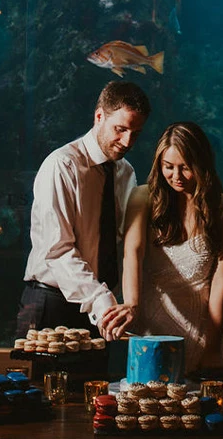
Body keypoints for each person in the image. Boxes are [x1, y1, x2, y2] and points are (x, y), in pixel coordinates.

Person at [101, 121, 223, 372]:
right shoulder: (142, 198)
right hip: (150, 329)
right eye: (168, 167)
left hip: (201, 330)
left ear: (202, 165)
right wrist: (131, 304)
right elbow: (132, 253)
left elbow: (221, 281)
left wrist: (211, 346)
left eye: (185, 168)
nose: (176, 177)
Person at [16, 81, 151, 340]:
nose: (127, 141)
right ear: (99, 116)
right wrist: (101, 301)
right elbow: (57, 251)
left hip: (101, 307)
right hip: (51, 302)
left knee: (96, 382)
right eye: (120, 129)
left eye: (135, 133)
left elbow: (121, 241)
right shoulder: (62, 165)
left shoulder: (126, 172)